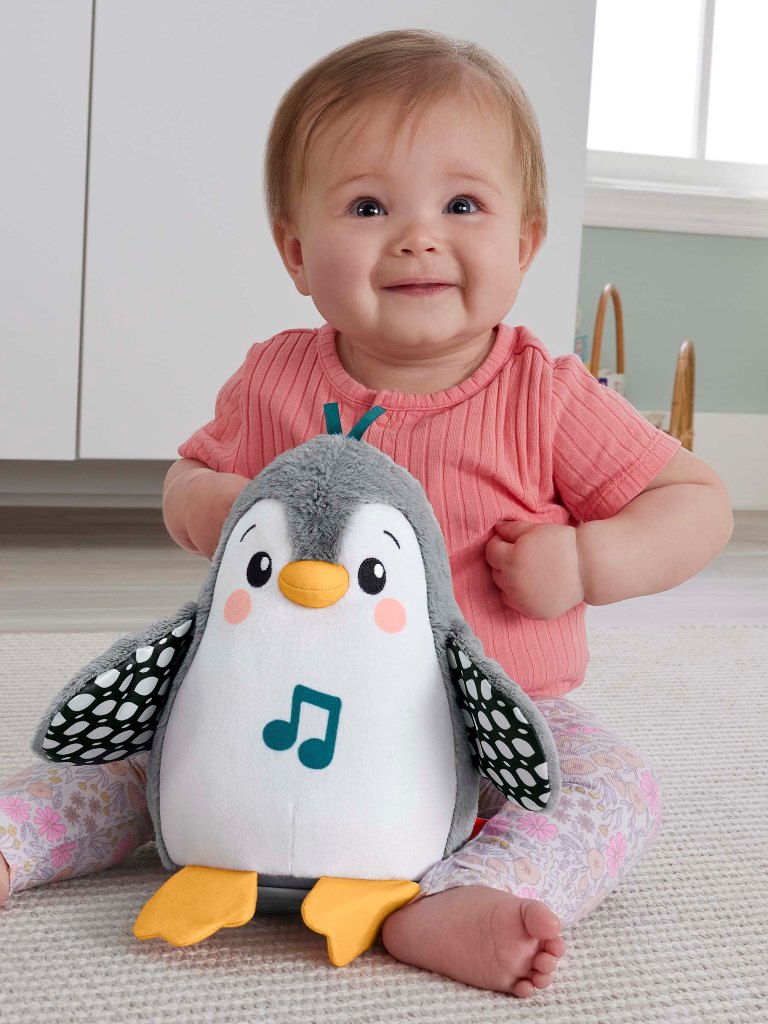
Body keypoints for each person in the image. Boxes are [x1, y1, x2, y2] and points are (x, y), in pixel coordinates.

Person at [0, 28, 733, 998]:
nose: (418, 236)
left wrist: (589, 561)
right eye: (368, 206)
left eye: (462, 205)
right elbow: (189, 476)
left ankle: (467, 892)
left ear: (524, 243)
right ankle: (15, 842)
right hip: (267, 709)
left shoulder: (547, 395)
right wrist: (212, 507)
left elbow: (696, 502)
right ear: (297, 251)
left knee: (609, 787)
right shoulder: (277, 375)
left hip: (489, 720)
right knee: (138, 753)